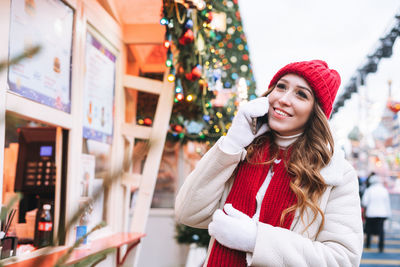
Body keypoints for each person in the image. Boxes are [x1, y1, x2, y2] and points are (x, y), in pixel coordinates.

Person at [175, 60, 364, 266]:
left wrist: (257, 240)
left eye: (301, 94)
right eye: (281, 86)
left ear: (315, 112)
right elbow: (188, 212)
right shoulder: (243, 151)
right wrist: (231, 143)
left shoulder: (334, 173)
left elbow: (342, 259)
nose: (283, 99)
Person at [362, 174, 391, 252]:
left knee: (368, 230)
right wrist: (388, 214)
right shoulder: (384, 190)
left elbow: (364, 202)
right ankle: (381, 247)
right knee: (381, 231)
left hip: (371, 213)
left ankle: (368, 245)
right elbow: (387, 203)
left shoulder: (369, 190)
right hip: (382, 213)